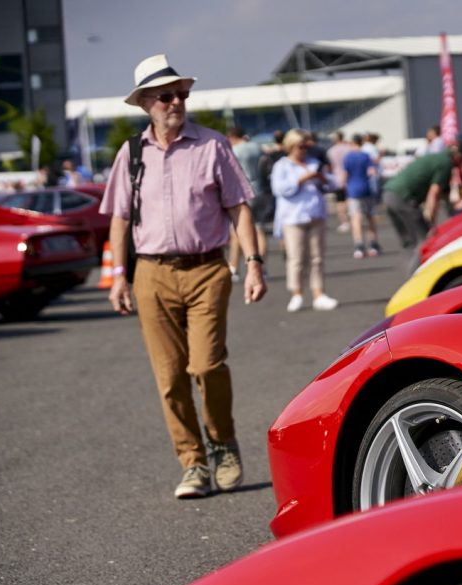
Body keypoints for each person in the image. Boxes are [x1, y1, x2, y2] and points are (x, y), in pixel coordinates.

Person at [100, 53, 266, 499]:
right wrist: (118, 276)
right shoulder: (131, 154)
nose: (177, 102)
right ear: (146, 103)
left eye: (181, 94)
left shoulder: (212, 146)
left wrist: (253, 263)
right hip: (151, 275)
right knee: (169, 376)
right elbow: (118, 218)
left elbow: (238, 207)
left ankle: (224, 444)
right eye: (166, 96)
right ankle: (193, 463)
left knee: (207, 365)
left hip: (207, 270)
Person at [271, 128, 338, 313]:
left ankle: (319, 293)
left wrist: (321, 177)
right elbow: (280, 190)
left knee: (317, 257)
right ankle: (296, 293)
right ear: (291, 146)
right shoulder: (281, 166)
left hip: (315, 214)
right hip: (293, 217)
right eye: (300, 146)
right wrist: (302, 179)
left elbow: (334, 184)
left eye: (306, 147)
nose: (304, 150)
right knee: (296, 258)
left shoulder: (314, 162)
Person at [383, 142, 462, 249]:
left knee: (409, 242)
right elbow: (434, 193)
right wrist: (431, 222)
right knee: (425, 240)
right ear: (458, 156)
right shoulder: (445, 162)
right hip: (403, 197)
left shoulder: (434, 157)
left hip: (388, 193)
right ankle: (419, 265)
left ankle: (410, 263)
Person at [226, 127, 267, 280]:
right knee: (259, 229)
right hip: (259, 189)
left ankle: (234, 267)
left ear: (232, 136)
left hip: (242, 191)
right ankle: (262, 267)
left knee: (237, 229)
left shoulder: (234, 150)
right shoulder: (257, 148)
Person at [342, 134, 381, 258]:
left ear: (352, 143)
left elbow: (345, 175)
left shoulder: (348, 157)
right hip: (366, 188)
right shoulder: (365, 156)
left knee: (356, 217)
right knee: (370, 216)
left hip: (353, 189)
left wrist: (344, 187)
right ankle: (373, 244)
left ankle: (359, 245)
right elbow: (372, 171)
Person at [326, 131, 354, 233]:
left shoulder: (331, 151)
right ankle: (352, 219)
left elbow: (330, 166)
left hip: (337, 178)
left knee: (340, 201)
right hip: (351, 177)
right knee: (350, 200)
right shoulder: (349, 149)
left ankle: (344, 222)